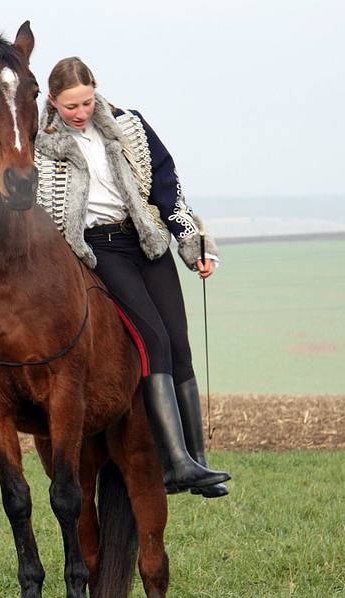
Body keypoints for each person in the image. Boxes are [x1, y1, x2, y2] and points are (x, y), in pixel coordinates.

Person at [34, 57, 230, 497]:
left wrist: (194, 244)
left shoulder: (130, 125)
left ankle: (198, 463)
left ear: (95, 91)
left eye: (85, 102)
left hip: (148, 241)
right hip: (99, 249)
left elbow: (167, 185)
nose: (80, 112)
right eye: (69, 107)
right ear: (52, 102)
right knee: (153, 339)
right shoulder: (39, 145)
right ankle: (174, 462)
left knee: (179, 345)